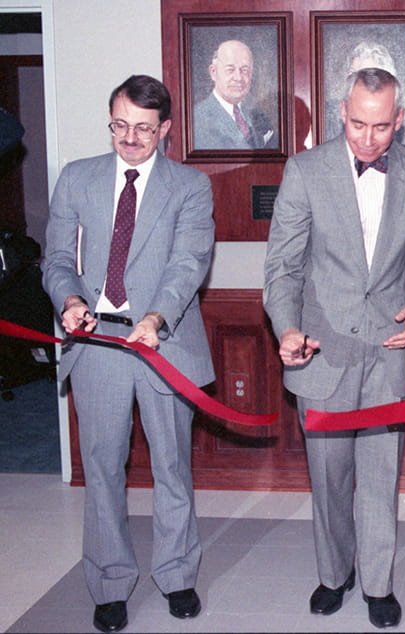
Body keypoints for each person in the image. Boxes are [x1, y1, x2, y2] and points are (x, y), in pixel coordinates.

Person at [263, 67, 405, 629]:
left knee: (381, 475)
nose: (368, 138)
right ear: (341, 113)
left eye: (382, 127)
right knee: (329, 476)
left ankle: (378, 584)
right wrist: (286, 329)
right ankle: (334, 573)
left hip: (388, 349)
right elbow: (283, 266)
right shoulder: (305, 170)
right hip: (322, 350)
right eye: (358, 124)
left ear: (400, 120)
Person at [42, 75, 215, 633]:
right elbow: (56, 259)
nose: (130, 138)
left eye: (143, 128)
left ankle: (177, 576)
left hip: (164, 342)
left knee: (172, 467)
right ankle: (110, 582)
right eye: (120, 125)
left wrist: (155, 317)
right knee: (101, 469)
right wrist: (70, 301)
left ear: (165, 129)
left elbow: (188, 262)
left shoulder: (189, 186)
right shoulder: (78, 178)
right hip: (98, 345)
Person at [193, 39, 276, 150]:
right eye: (230, 70)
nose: (238, 78)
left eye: (244, 70)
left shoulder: (258, 117)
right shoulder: (196, 119)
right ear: (213, 72)